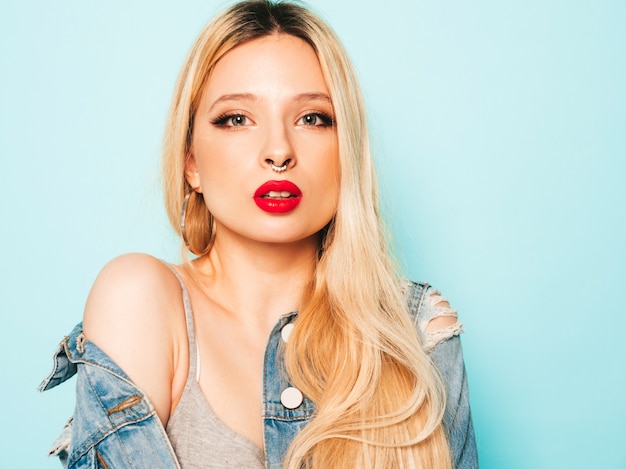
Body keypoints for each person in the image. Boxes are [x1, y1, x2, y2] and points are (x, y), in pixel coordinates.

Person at [39, 1, 477, 468]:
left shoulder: (416, 332)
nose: (278, 151)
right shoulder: (142, 301)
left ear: (346, 149)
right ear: (191, 163)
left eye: (313, 118)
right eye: (236, 119)